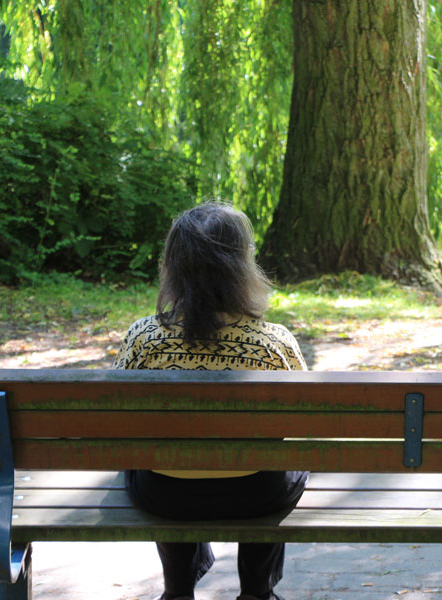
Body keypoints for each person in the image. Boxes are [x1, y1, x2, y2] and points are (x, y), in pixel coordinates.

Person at [114, 202, 308, 600]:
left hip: (165, 494)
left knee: (165, 461)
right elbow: (302, 423)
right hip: (257, 495)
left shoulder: (143, 339)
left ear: (173, 267)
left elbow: (117, 417)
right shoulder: (274, 344)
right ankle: (257, 591)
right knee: (278, 460)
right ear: (243, 268)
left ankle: (178, 589)